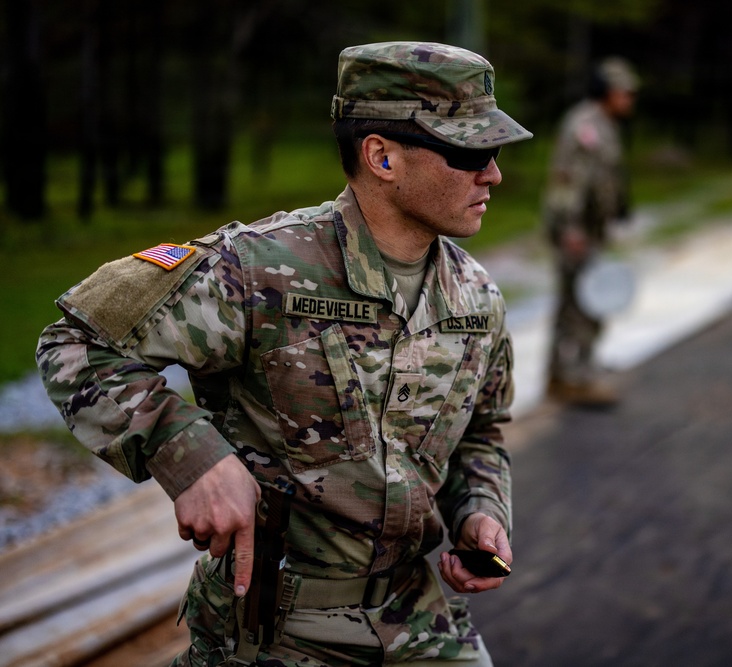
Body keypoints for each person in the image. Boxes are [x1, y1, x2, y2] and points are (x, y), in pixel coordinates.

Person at [36, 41, 531, 666]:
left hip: (421, 618)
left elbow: (482, 429)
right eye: (471, 152)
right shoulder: (259, 270)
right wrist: (189, 456)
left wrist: (480, 509)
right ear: (382, 156)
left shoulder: (476, 295)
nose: (494, 174)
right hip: (274, 629)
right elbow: (76, 341)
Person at [542, 56, 639, 408]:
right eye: (623, 92)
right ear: (606, 92)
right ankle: (574, 378)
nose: (629, 99)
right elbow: (569, 181)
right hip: (577, 229)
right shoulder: (586, 126)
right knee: (582, 304)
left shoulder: (603, 125)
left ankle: (564, 374)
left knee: (578, 301)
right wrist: (571, 229)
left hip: (590, 228)